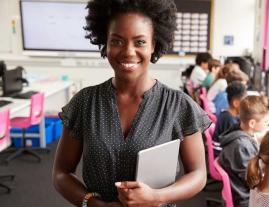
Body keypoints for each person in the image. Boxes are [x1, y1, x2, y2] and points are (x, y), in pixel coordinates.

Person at [52, 0, 211, 207]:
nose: (128, 51)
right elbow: (61, 173)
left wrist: (156, 197)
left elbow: (198, 174)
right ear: (105, 42)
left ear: (154, 44)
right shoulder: (85, 103)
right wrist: (93, 204)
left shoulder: (178, 105)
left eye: (140, 42)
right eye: (117, 41)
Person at [217, 95, 269, 207]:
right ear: (252, 123)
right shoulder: (241, 147)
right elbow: (255, 182)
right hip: (246, 199)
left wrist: (257, 139)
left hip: (243, 191)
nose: (267, 125)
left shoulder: (238, 130)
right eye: (266, 121)